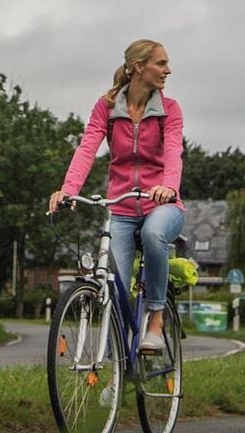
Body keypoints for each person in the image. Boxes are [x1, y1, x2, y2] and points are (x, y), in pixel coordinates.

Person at [49, 39, 184, 351]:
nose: (168, 70)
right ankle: (118, 364)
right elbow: (87, 148)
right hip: (121, 209)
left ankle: (156, 318)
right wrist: (68, 191)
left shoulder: (169, 110)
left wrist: (169, 186)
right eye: (161, 63)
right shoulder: (107, 108)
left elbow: (174, 151)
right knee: (115, 286)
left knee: (153, 234)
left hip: (162, 204)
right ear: (139, 67)